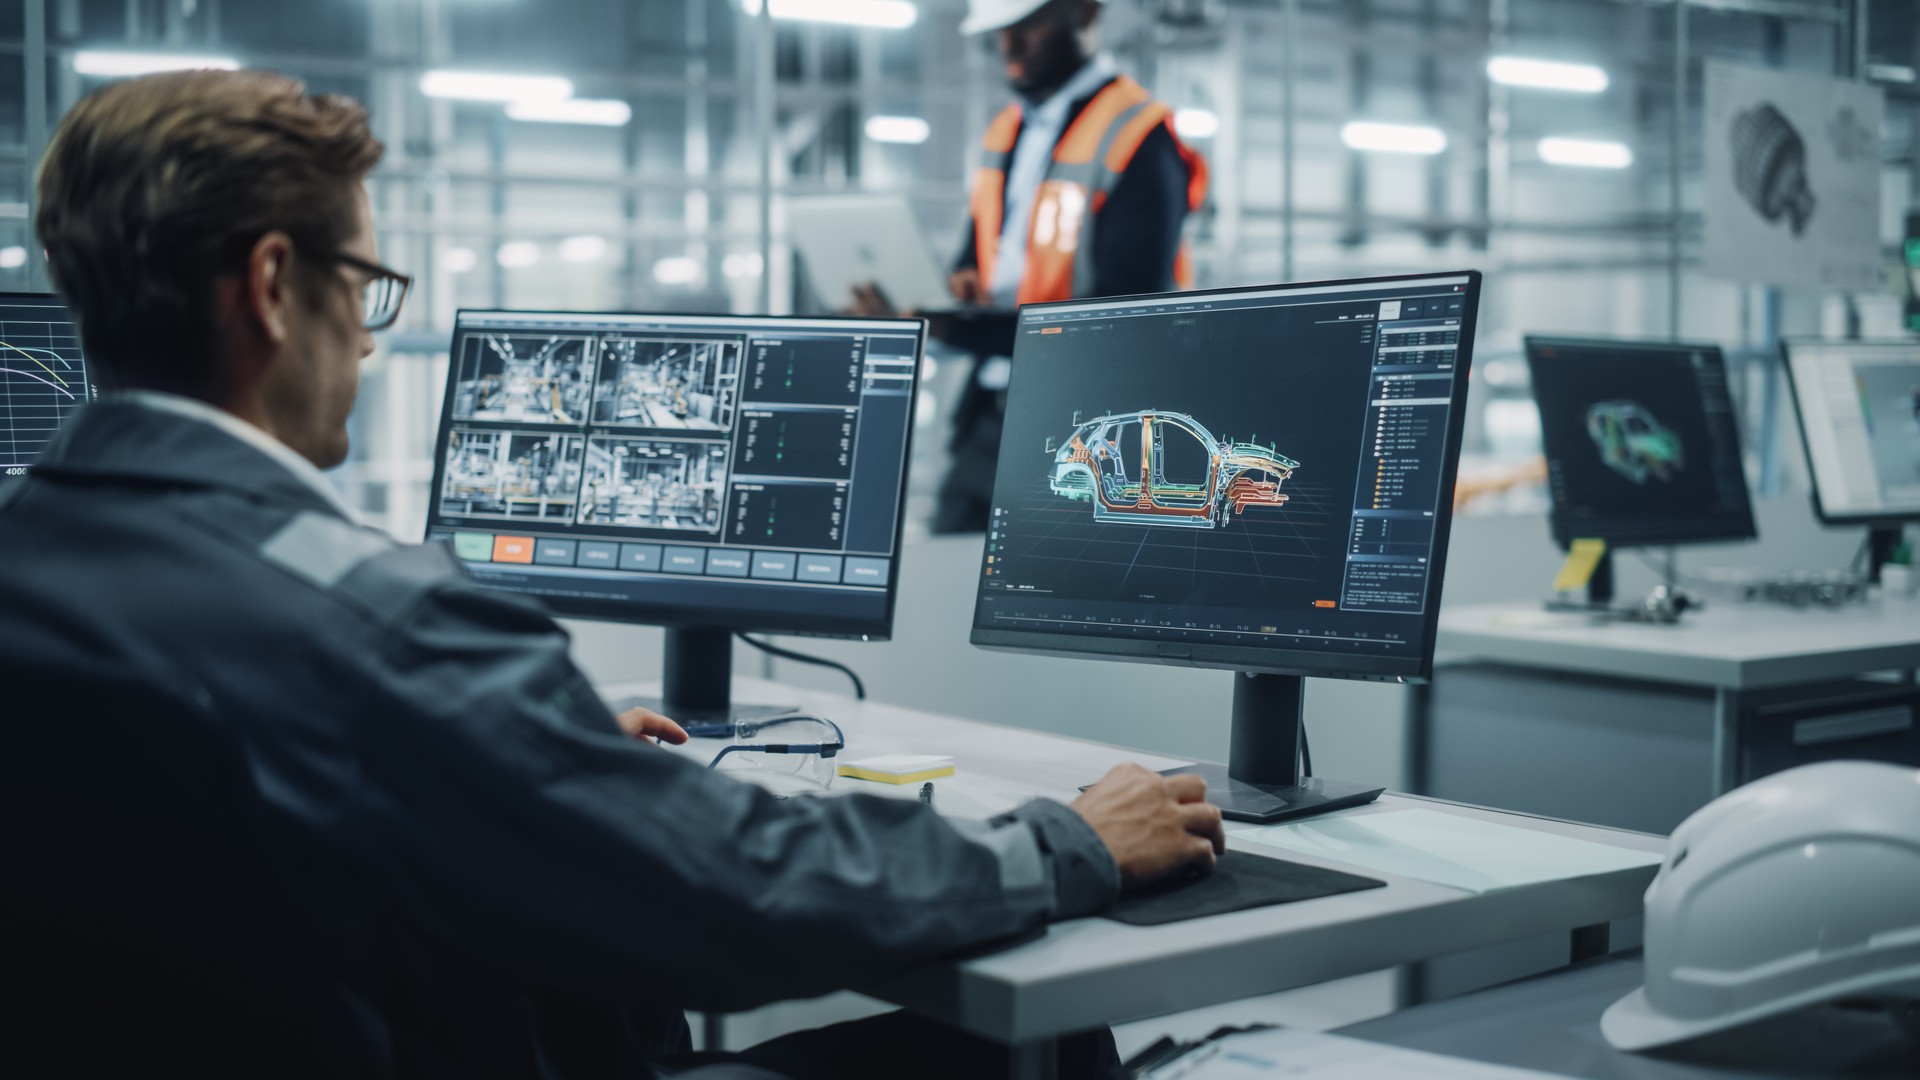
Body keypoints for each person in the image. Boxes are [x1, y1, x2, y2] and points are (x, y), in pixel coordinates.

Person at [3, 70, 1224, 1079]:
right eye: (362, 288)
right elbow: (737, 892)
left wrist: (522, 746)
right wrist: (1062, 840)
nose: (368, 343)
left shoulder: (38, 566)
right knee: (1045, 1047)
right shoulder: (381, 634)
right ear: (273, 288)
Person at [862, 0, 1209, 533]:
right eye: (1001, 30)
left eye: (1029, 25)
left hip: (1089, 430)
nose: (1010, 45)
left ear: (1085, 13)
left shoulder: (1139, 137)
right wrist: (946, 298)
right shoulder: (1008, 132)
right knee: (943, 578)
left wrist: (966, 330)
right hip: (992, 413)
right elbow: (975, 258)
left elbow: (1127, 315)